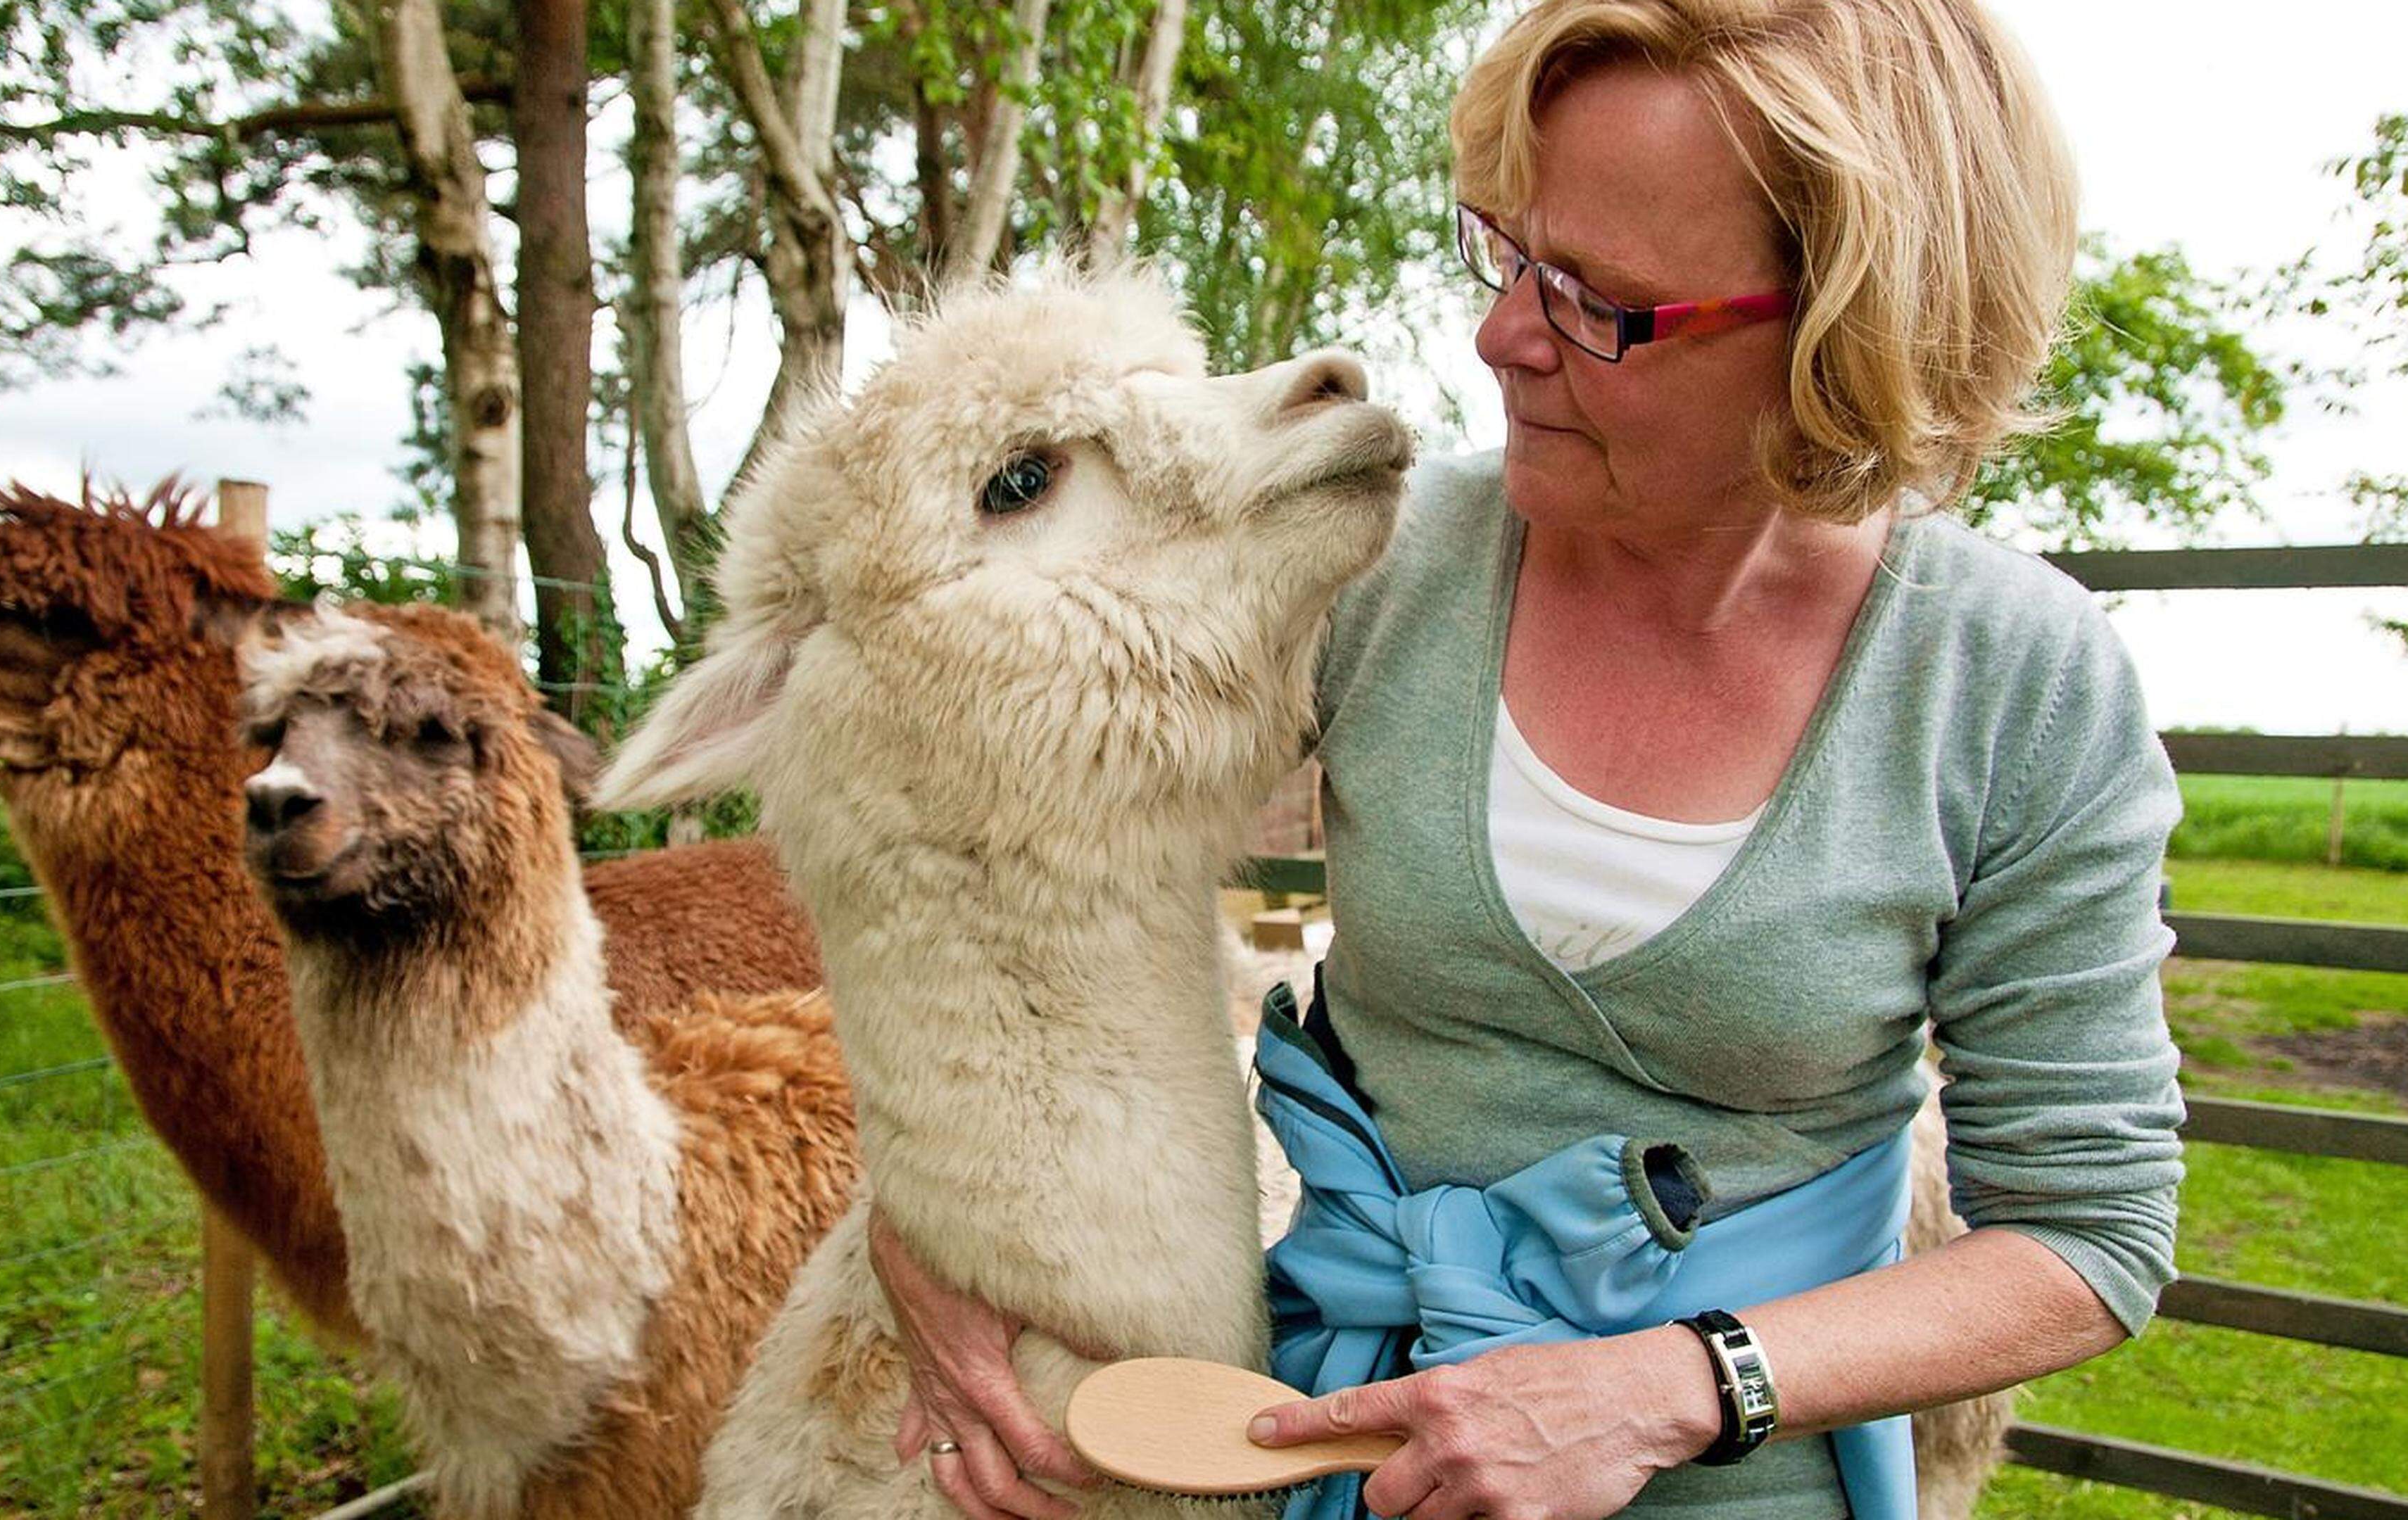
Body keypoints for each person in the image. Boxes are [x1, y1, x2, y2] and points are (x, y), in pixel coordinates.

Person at [869, 1, 2188, 1515]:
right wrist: (927, 1228)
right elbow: (983, 849)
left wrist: (1665, 1390)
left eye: (1597, 302)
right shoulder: (1372, 565)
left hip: (1740, 1480)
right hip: (1324, 1440)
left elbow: (2090, 1238)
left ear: (1846, 331)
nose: (1501, 339)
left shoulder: (2016, 685)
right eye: (1504, 252)